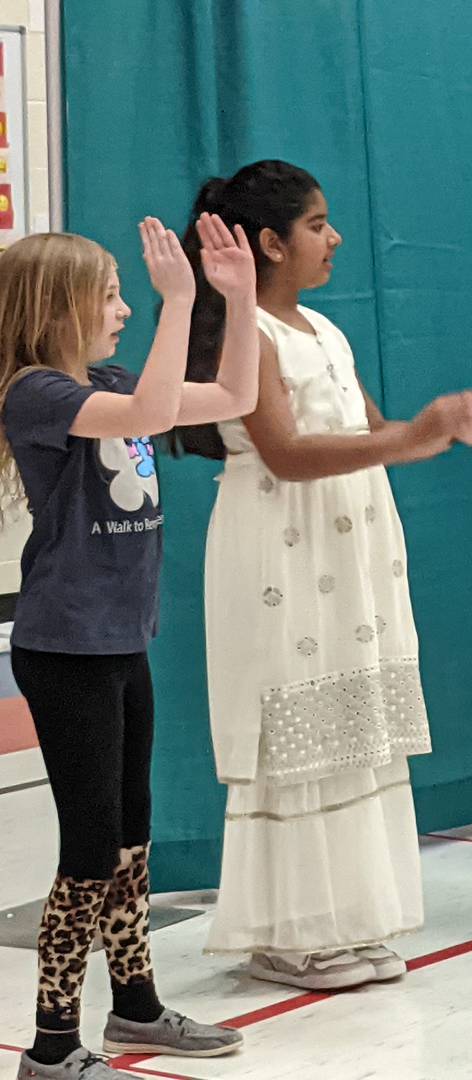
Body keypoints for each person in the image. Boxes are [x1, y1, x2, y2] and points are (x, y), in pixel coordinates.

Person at [189, 161, 472, 988]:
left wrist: (439, 429)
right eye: (317, 225)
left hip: (348, 549)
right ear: (271, 243)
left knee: (352, 721)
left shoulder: (325, 330)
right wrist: (415, 437)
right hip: (282, 546)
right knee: (299, 726)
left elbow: (371, 431)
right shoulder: (248, 333)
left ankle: (345, 915)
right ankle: (289, 932)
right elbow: (284, 451)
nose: (335, 237)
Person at [1, 219, 253, 1076]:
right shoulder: (37, 393)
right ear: (59, 307)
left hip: (118, 643)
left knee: (131, 841)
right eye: (109, 296)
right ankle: (51, 1047)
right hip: (65, 649)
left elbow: (234, 397)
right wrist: (178, 299)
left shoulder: (106, 380)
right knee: (88, 851)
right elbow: (152, 411)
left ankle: (136, 1008)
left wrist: (236, 298)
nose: (122, 310)